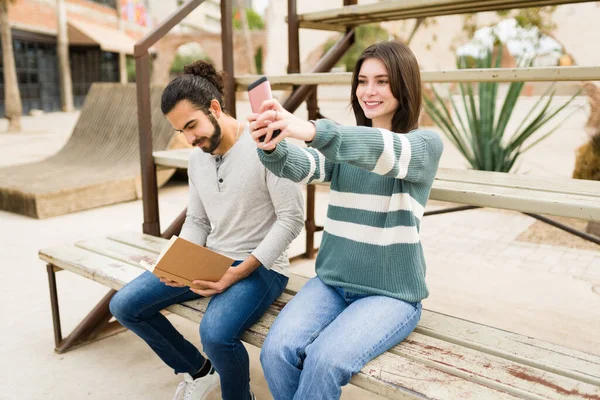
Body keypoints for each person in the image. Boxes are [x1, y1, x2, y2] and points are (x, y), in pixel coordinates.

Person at [248, 41, 444, 399]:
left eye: (382, 81)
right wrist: (272, 146)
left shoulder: (424, 146)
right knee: (276, 352)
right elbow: (303, 166)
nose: (369, 91)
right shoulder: (343, 149)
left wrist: (310, 130)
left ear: (405, 86)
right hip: (332, 285)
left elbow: (379, 149)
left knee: (323, 361)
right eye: (363, 80)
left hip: (390, 296)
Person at [109, 60, 305, 400]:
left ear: (214, 108)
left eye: (191, 126)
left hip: (262, 267)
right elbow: (197, 221)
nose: (189, 139)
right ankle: (199, 371)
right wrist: (180, 262)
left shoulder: (266, 143)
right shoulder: (198, 157)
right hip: (210, 259)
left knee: (215, 334)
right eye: (180, 132)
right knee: (125, 304)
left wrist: (238, 272)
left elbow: (292, 218)